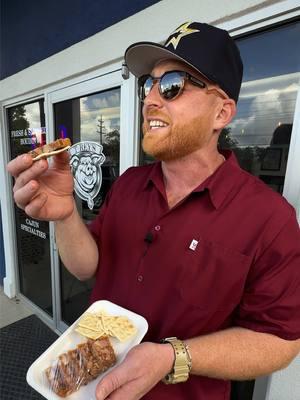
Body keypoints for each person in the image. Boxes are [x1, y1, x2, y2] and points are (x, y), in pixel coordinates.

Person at [7, 21, 300, 400]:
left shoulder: (268, 218)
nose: (149, 100)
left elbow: (279, 339)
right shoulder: (129, 184)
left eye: (173, 85)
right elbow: (88, 266)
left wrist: (173, 357)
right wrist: (65, 214)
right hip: (87, 381)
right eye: (149, 84)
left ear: (222, 113)